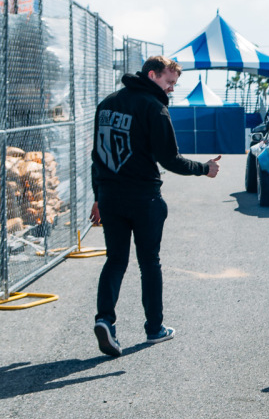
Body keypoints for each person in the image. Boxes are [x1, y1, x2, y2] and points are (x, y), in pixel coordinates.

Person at [90, 55, 220, 357]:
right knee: (149, 262)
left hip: (110, 195)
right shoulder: (154, 108)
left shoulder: (106, 104)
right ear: (152, 75)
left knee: (115, 260)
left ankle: (104, 320)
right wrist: (204, 169)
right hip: (143, 198)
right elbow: (170, 160)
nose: (172, 89)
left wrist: (98, 195)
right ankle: (154, 328)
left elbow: (97, 156)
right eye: (169, 82)